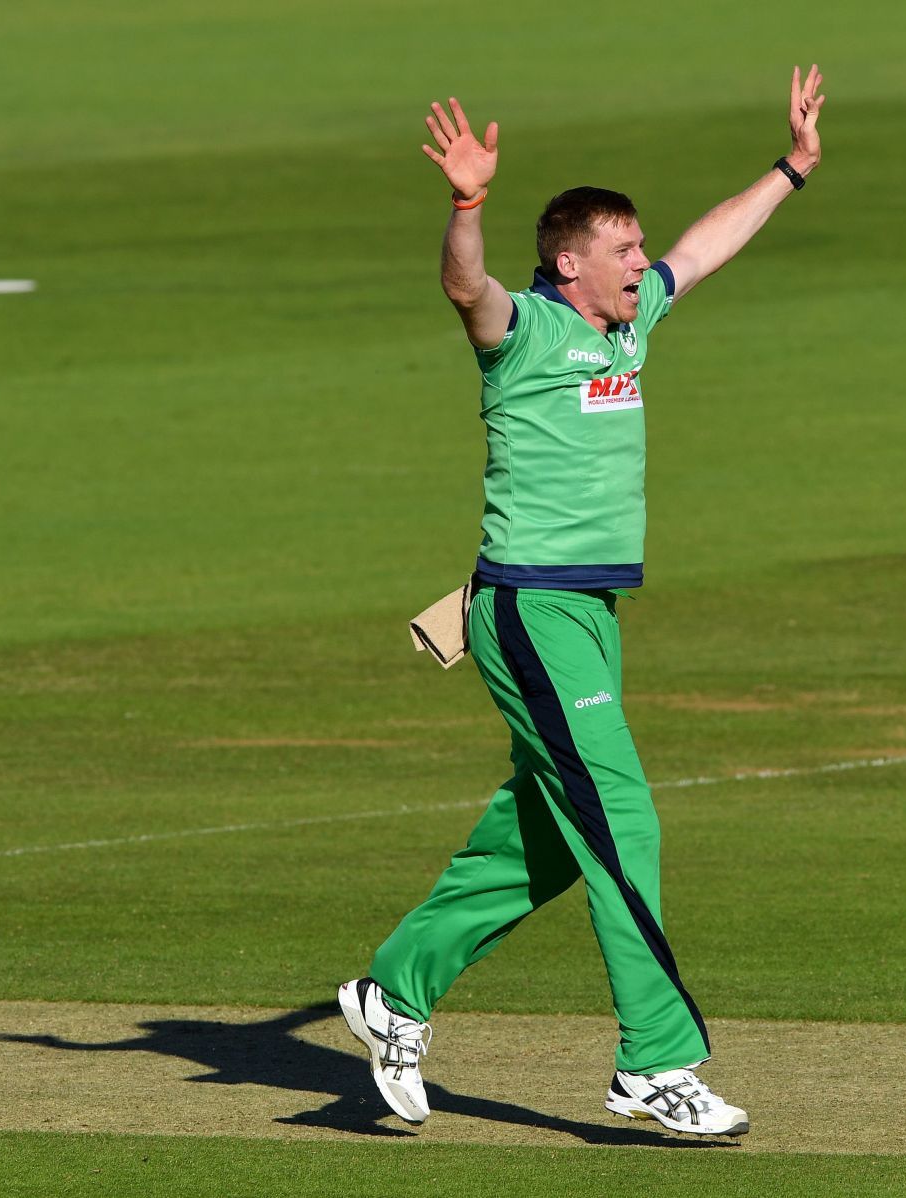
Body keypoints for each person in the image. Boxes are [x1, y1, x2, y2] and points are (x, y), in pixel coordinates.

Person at [339, 66, 826, 1138]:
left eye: (637, 248)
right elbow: (465, 289)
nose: (641, 262)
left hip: (591, 612)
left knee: (557, 833)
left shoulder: (629, 323)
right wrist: (467, 206)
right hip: (527, 609)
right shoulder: (527, 333)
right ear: (570, 263)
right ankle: (654, 1061)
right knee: (624, 816)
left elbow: (703, 248)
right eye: (622, 250)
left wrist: (790, 169)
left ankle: (393, 991)